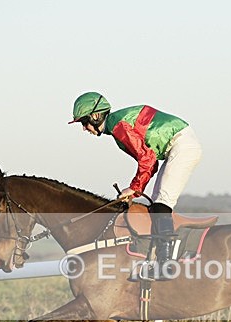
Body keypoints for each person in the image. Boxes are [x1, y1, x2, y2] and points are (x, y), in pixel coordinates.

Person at [69, 91, 202, 280]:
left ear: (96, 116)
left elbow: (147, 159)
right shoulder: (117, 126)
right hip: (178, 145)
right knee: (156, 205)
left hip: (182, 145)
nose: (84, 128)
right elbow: (151, 162)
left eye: (84, 122)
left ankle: (166, 265)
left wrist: (133, 188)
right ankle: (158, 258)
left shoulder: (118, 126)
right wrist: (134, 191)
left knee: (162, 203)